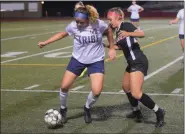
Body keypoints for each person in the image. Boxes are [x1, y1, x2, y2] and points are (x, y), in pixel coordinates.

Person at [38, 5, 116, 124]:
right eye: (76, 21)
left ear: (88, 18)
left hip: (96, 60)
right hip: (77, 59)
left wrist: (111, 48)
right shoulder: (73, 26)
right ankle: (63, 110)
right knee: (64, 87)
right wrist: (46, 42)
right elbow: (62, 34)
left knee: (96, 91)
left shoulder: (98, 24)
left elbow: (109, 31)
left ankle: (87, 108)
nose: (78, 24)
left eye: (81, 22)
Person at [106, 7, 165, 127]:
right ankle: (137, 112)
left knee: (136, 93)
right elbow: (121, 47)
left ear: (118, 17)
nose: (109, 21)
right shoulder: (118, 31)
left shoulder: (126, 25)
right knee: (126, 87)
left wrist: (128, 33)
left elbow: (141, 33)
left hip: (138, 61)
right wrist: (107, 46)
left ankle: (159, 111)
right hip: (132, 63)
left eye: (110, 19)